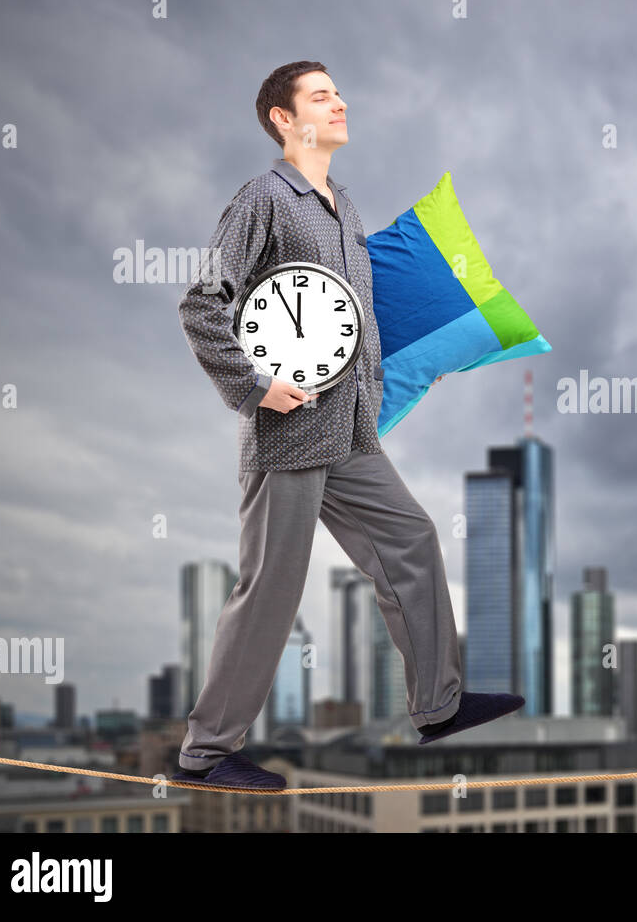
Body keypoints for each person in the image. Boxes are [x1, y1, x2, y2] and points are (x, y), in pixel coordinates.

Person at [173, 60, 522, 790]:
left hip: (352, 433)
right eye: (322, 95)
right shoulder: (264, 199)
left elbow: (352, 320)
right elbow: (204, 303)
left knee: (413, 541)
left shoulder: (349, 210)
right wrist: (254, 387)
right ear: (282, 117)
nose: (340, 102)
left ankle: (437, 706)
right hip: (290, 433)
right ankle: (207, 753)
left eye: (338, 92)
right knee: (272, 586)